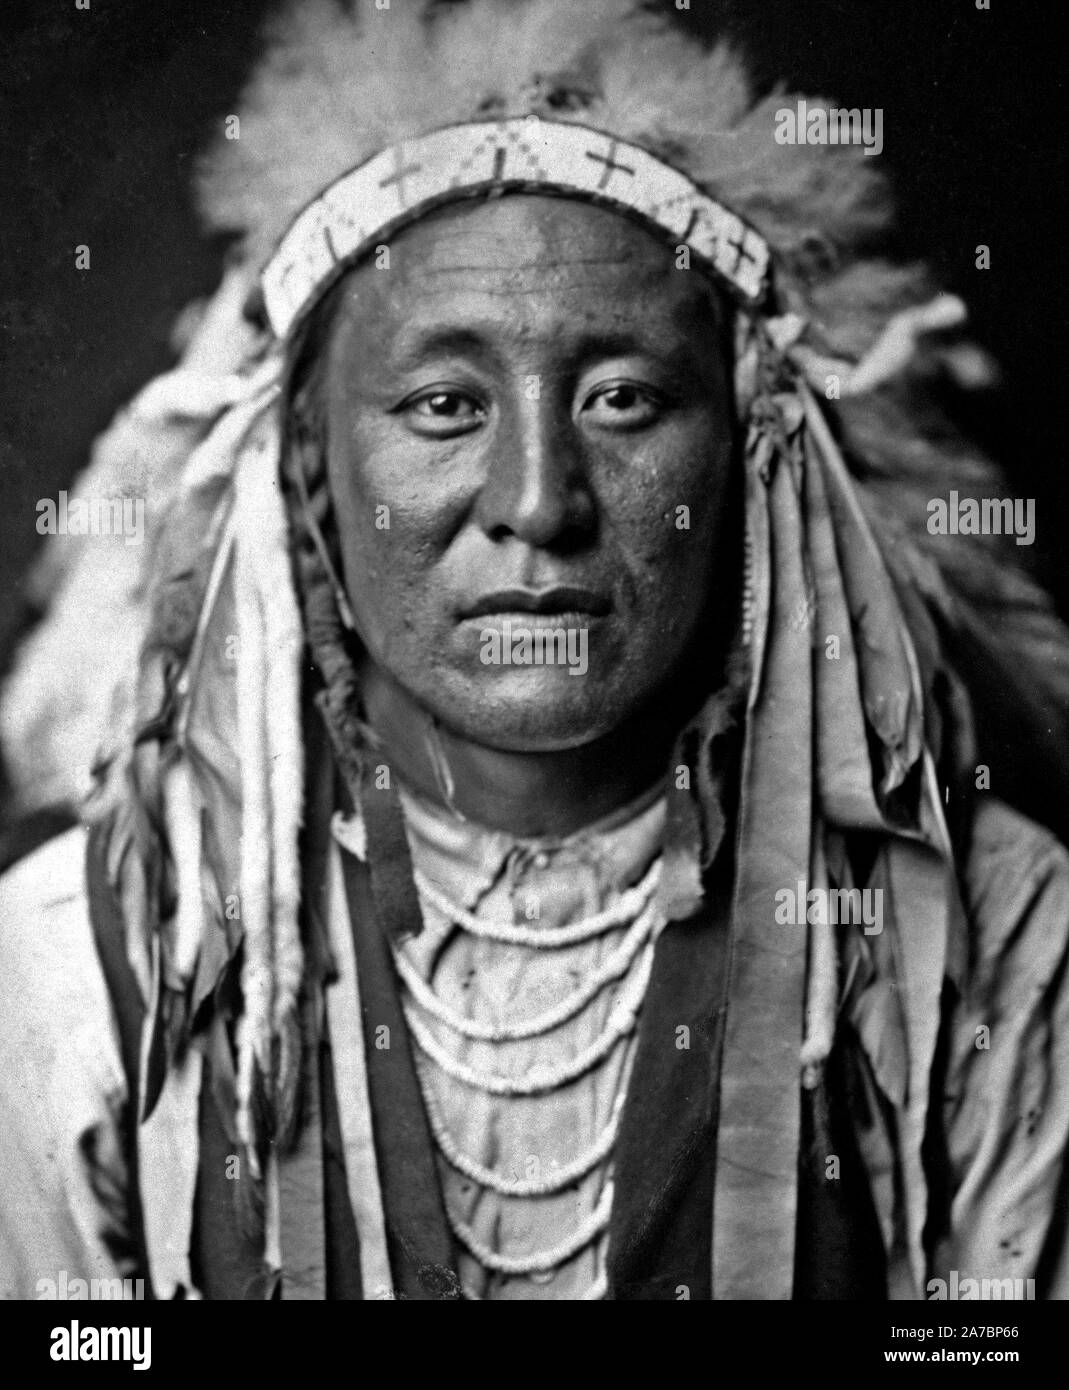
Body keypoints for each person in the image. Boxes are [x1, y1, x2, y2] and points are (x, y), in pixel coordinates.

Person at [3, 0, 1069, 1302]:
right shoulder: (85, 963)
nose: (538, 499)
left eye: (621, 398)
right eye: (444, 405)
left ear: (749, 449)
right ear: (307, 475)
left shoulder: (989, 934)